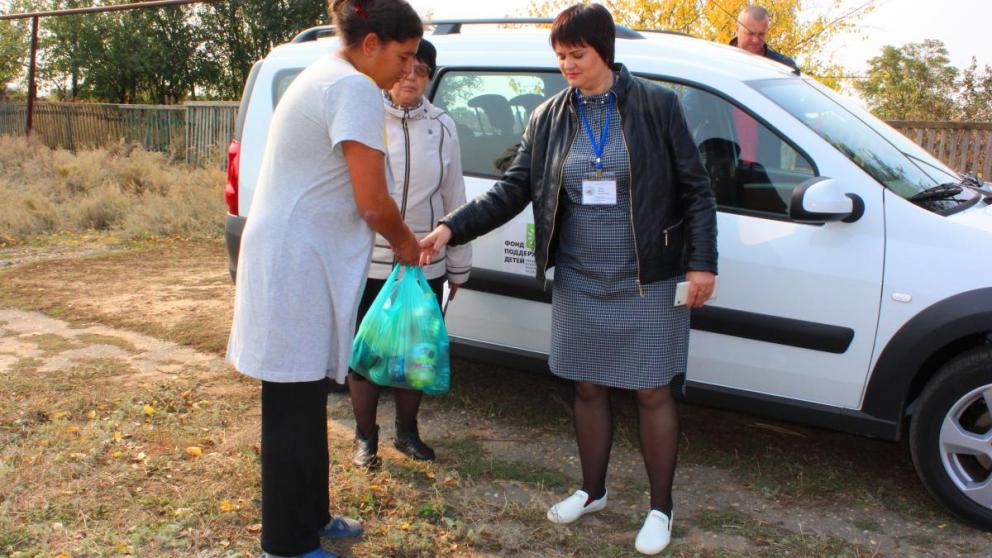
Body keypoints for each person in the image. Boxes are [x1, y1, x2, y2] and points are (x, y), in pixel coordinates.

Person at [419, 4, 717, 555]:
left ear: (605, 49)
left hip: (648, 275)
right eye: (560, 57)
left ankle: (660, 508)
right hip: (580, 274)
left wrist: (703, 263)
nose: (568, 66)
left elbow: (696, 190)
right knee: (587, 385)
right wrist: (449, 228)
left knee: (652, 389)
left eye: (577, 54)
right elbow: (512, 189)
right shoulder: (549, 116)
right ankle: (593, 490)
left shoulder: (657, 106)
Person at [225, 1, 423, 556]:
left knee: (306, 397)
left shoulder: (329, 73)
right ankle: (285, 543)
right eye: (403, 57)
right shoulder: (353, 88)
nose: (409, 71)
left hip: (296, 258)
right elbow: (374, 202)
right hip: (295, 262)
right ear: (370, 44)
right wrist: (407, 246)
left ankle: (311, 515)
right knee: (291, 404)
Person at [348, 38, 472, 467]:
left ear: (430, 77)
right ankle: (365, 438)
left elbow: (456, 198)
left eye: (421, 70)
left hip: (424, 263)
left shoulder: (443, 126)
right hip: (371, 262)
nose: (411, 78)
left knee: (415, 356)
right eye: (405, 68)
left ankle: (407, 433)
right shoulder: (366, 118)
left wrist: (458, 266)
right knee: (366, 355)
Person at [729, 5, 799, 71]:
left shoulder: (784, 65)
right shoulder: (722, 59)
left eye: (761, 34)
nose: (755, 40)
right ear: (737, 29)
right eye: (750, 33)